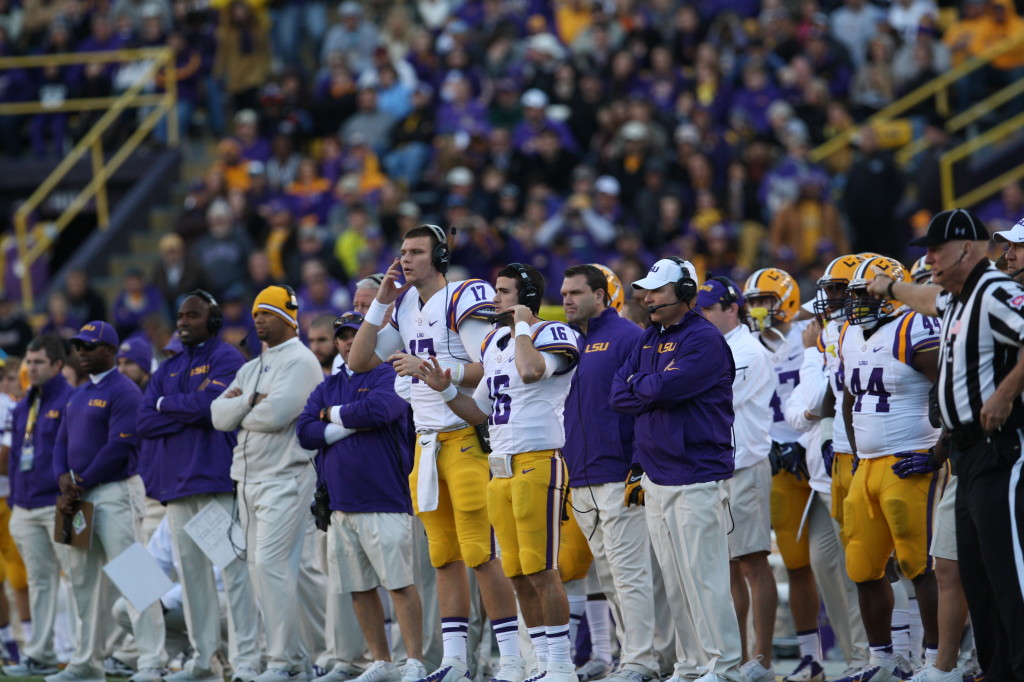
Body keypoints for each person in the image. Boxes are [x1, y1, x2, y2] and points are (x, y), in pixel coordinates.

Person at [347, 225, 523, 682]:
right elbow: (359, 360)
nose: (405, 259)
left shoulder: (466, 295)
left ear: (440, 256)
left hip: (465, 436)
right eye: (402, 251)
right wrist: (382, 300)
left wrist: (432, 371)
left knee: (480, 554)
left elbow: (490, 364)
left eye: (417, 252)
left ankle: (512, 657)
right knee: (443, 556)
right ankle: (454, 659)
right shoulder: (403, 303)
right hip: (425, 445)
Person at [866, 208, 1024, 681]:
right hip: (965, 453)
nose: (930, 258)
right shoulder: (958, 298)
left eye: (937, 249)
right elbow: (928, 297)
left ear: (968, 249)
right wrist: (890, 287)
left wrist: (1005, 392)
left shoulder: (997, 291)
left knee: (1008, 573)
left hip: (999, 447)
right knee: (977, 577)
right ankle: (998, 670)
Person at [420, 263, 581, 682]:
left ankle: (561, 665)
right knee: (516, 572)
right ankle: (541, 663)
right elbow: (480, 412)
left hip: (538, 461)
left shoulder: (551, 333)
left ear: (526, 297)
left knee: (542, 568)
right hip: (500, 467)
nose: (495, 300)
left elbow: (531, 371)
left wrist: (524, 326)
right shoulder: (493, 343)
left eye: (505, 292)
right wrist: (447, 390)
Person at [609, 258, 742, 682]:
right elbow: (619, 394)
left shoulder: (704, 338)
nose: (647, 298)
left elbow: (667, 387)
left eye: (657, 290)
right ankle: (690, 663)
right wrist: (648, 388)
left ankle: (724, 665)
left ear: (685, 293)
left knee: (705, 578)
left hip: (697, 472)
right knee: (676, 581)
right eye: (644, 291)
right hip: (656, 472)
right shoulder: (649, 338)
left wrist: (645, 387)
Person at [137, 291, 262, 682]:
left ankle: (245, 662)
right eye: (180, 316)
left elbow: (213, 410)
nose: (183, 322)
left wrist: (166, 406)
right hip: (173, 490)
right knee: (181, 582)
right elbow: (144, 421)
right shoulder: (169, 367)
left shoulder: (225, 358)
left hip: (212, 485)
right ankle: (202, 661)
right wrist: (187, 409)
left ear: (212, 320)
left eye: (193, 315)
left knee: (232, 575)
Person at [297, 311, 426, 682]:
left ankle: (413, 660)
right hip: (339, 503)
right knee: (358, 588)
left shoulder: (391, 374)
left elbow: (380, 410)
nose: (350, 342)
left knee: (399, 584)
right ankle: (381, 662)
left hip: (384, 496)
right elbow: (305, 431)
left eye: (357, 335)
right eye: (343, 337)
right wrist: (349, 423)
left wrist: (332, 416)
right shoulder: (329, 384)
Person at [835, 256, 945, 682]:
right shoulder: (848, 333)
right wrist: (860, 451)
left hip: (910, 459)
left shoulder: (914, 325)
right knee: (862, 567)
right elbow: (848, 399)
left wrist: (937, 455)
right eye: (854, 294)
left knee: (921, 565)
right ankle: (881, 661)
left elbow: (949, 389)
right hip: (868, 466)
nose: (856, 302)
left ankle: (937, 660)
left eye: (865, 293)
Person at [211, 285, 325, 682]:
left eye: (268, 313)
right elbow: (216, 414)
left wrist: (244, 409)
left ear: (288, 319)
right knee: (261, 571)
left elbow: (275, 413)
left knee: (272, 567)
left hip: (285, 478)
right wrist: (246, 403)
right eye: (257, 312)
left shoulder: (300, 361)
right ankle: (293, 659)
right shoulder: (252, 366)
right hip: (247, 481)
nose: (258, 318)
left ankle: (284, 662)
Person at [559, 264, 665, 682]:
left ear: (601, 296)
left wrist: (638, 467)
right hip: (581, 475)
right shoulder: (568, 341)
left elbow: (645, 405)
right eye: (564, 292)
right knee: (608, 575)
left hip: (619, 473)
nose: (567, 299)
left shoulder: (628, 337)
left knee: (630, 573)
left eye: (576, 292)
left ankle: (642, 660)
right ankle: (631, 656)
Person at [48, 321, 167, 682]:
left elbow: (119, 445)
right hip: (80, 496)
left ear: (111, 350)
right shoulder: (78, 393)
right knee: (83, 581)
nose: (81, 351)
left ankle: (152, 660)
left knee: (135, 575)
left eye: (90, 345)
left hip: (115, 491)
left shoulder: (125, 390)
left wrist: (78, 482)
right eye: (78, 346)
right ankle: (87, 661)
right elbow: (61, 443)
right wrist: (62, 479)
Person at [697, 277, 779, 682]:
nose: (704, 315)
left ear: (733, 309)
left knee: (752, 562)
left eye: (710, 308)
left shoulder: (748, 350)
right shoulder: (720, 348)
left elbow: (716, 398)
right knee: (727, 567)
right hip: (717, 467)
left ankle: (761, 659)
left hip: (745, 464)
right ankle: (739, 656)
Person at [3, 335, 72, 676]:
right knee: (39, 582)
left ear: (58, 365)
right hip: (27, 506)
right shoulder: (24, 403)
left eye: (39, 362)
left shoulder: (71, 399)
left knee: (77, 579)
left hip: (58, 503)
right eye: (29, 362)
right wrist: (16, 499)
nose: (31, 368)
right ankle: (42, 652)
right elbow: (16, 456)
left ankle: (82, 652)